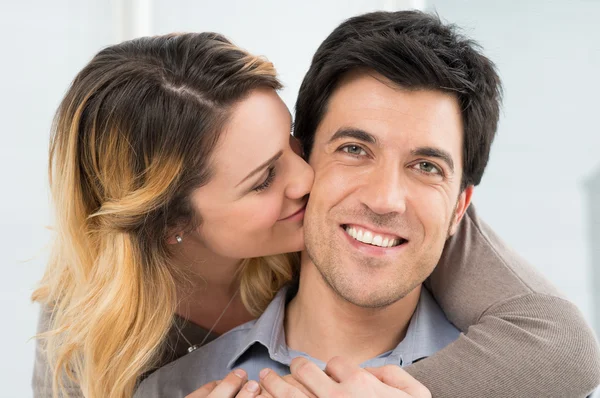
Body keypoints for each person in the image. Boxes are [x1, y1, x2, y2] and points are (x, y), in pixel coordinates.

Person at [33, 27, 600, 398]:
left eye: (294, 146)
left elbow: (563, 346)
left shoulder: (410, 221)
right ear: (173, 223)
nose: (308, 180)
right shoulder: (92, 340)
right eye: (263, 180)